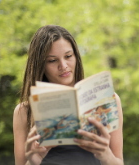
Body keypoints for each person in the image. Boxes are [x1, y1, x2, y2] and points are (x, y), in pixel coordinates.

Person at [13, 25, 124, 165]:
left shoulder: (107, 100)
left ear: (76, 56)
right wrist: (35, 161)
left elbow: (118, 161)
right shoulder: (23, 112)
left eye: (68, 56)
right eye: (53, 60)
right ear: (40, 65)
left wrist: (106, 155)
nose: (63, 65)